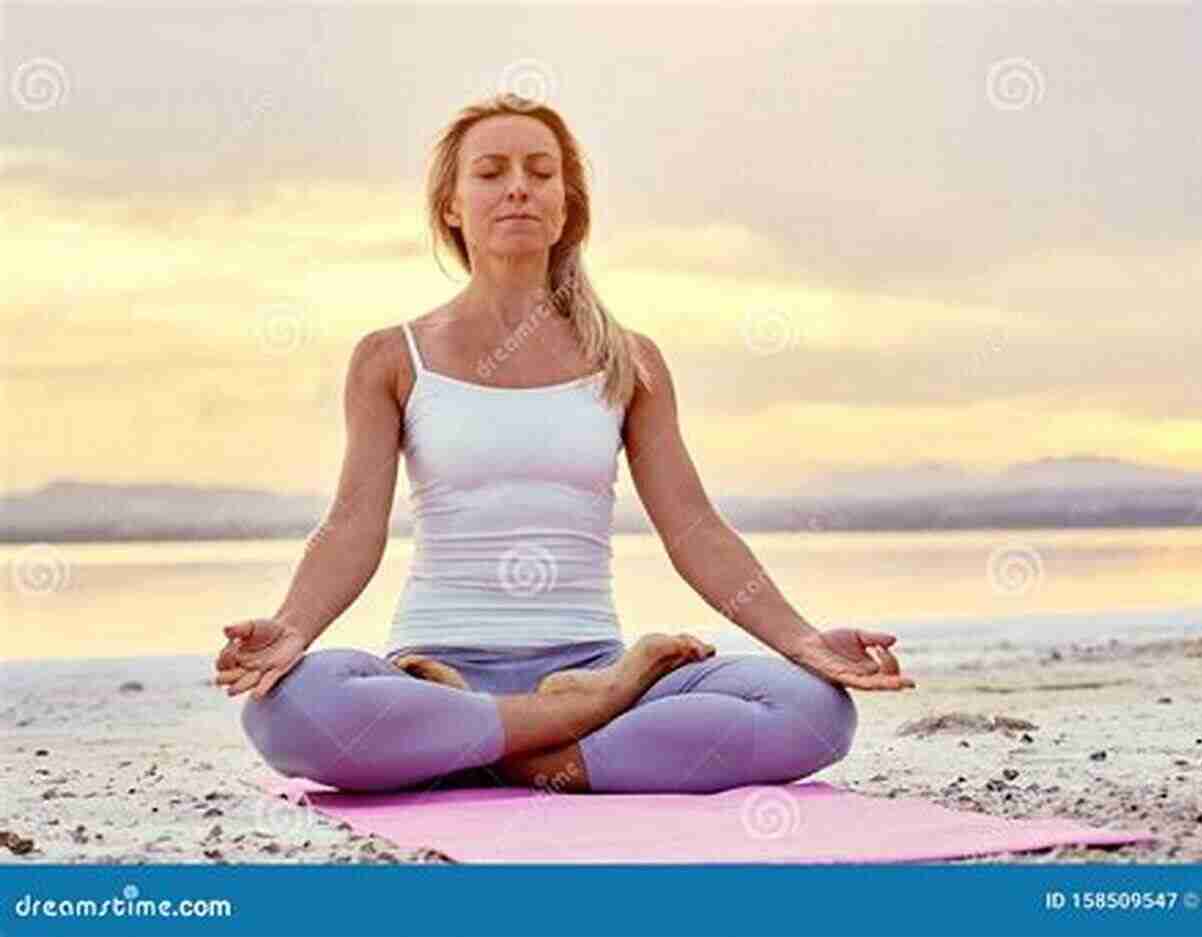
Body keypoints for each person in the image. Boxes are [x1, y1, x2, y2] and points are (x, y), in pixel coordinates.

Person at [215, 92, 915, 795]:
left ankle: (509, 746)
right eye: (490, 171)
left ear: (567, 205)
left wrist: (802, 640)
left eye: (540, 171)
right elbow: (350, 527)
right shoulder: (391, 357)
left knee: (815, 710)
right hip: (435, 669)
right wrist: (291, 626)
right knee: (286, 709)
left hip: (589, 656)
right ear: (451, 206)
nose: (517, 185)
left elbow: (695, 527)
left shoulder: (629, 359)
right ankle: (575, 724)